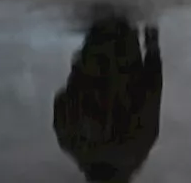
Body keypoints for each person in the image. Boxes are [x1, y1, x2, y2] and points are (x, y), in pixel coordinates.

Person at [53, 11, 163, 182]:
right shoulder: (73, 145)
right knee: (102, 7)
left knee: (120, 5)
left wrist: (152, 46)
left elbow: (152, 92)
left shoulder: (136, 148)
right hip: (93, 60)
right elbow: (60, 102)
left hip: (124, 55)